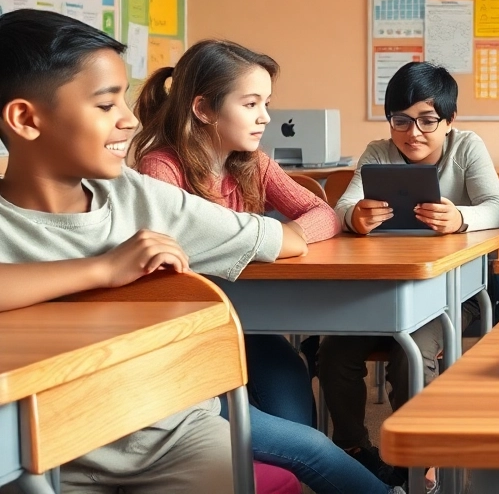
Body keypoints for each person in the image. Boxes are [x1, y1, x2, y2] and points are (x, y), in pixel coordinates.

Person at [0, 10, 307, 493]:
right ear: (25, 119)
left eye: (124, 97)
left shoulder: (140, 195)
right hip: (44, 454)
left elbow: (281, 239)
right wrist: (102, 269)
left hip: (174, 435)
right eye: (105, 106)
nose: (128, 119)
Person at [131, 39, 400, 494]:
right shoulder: (160, 169)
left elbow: (323, 214)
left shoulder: (252, 162)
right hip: (188, 348)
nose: (265, 117)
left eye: (266, 104)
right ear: (203, 108)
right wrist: (269, 238)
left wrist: (276, 240)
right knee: (309, 448)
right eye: (251, 103)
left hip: (250, 330)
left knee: (300, 431)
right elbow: (172, 257)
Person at [322, 60, 499, 484]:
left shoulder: (467, 147)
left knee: (412, 353)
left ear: (449, 121)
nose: (413, 133)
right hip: (385, 292)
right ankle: (354, 448)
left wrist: (459, 218)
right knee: (334, 350)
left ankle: (416, 458)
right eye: (401, 121)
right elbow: (342, 209)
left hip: (453, 293)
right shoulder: (378, 152)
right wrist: (356, 217)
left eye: (427, 120)